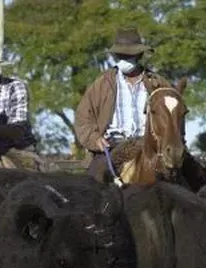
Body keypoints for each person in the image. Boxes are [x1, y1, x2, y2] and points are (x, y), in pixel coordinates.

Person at [74, 28, 174, 181]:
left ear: (139, 55)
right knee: (95, 184)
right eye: (121, 56)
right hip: (112, 146)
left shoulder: (158, 83)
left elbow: (174, 117)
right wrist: (94, 138)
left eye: (128, 56)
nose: (124, 59)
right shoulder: (103, 83)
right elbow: (83, 118)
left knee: (179, 184)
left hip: (150, 147)